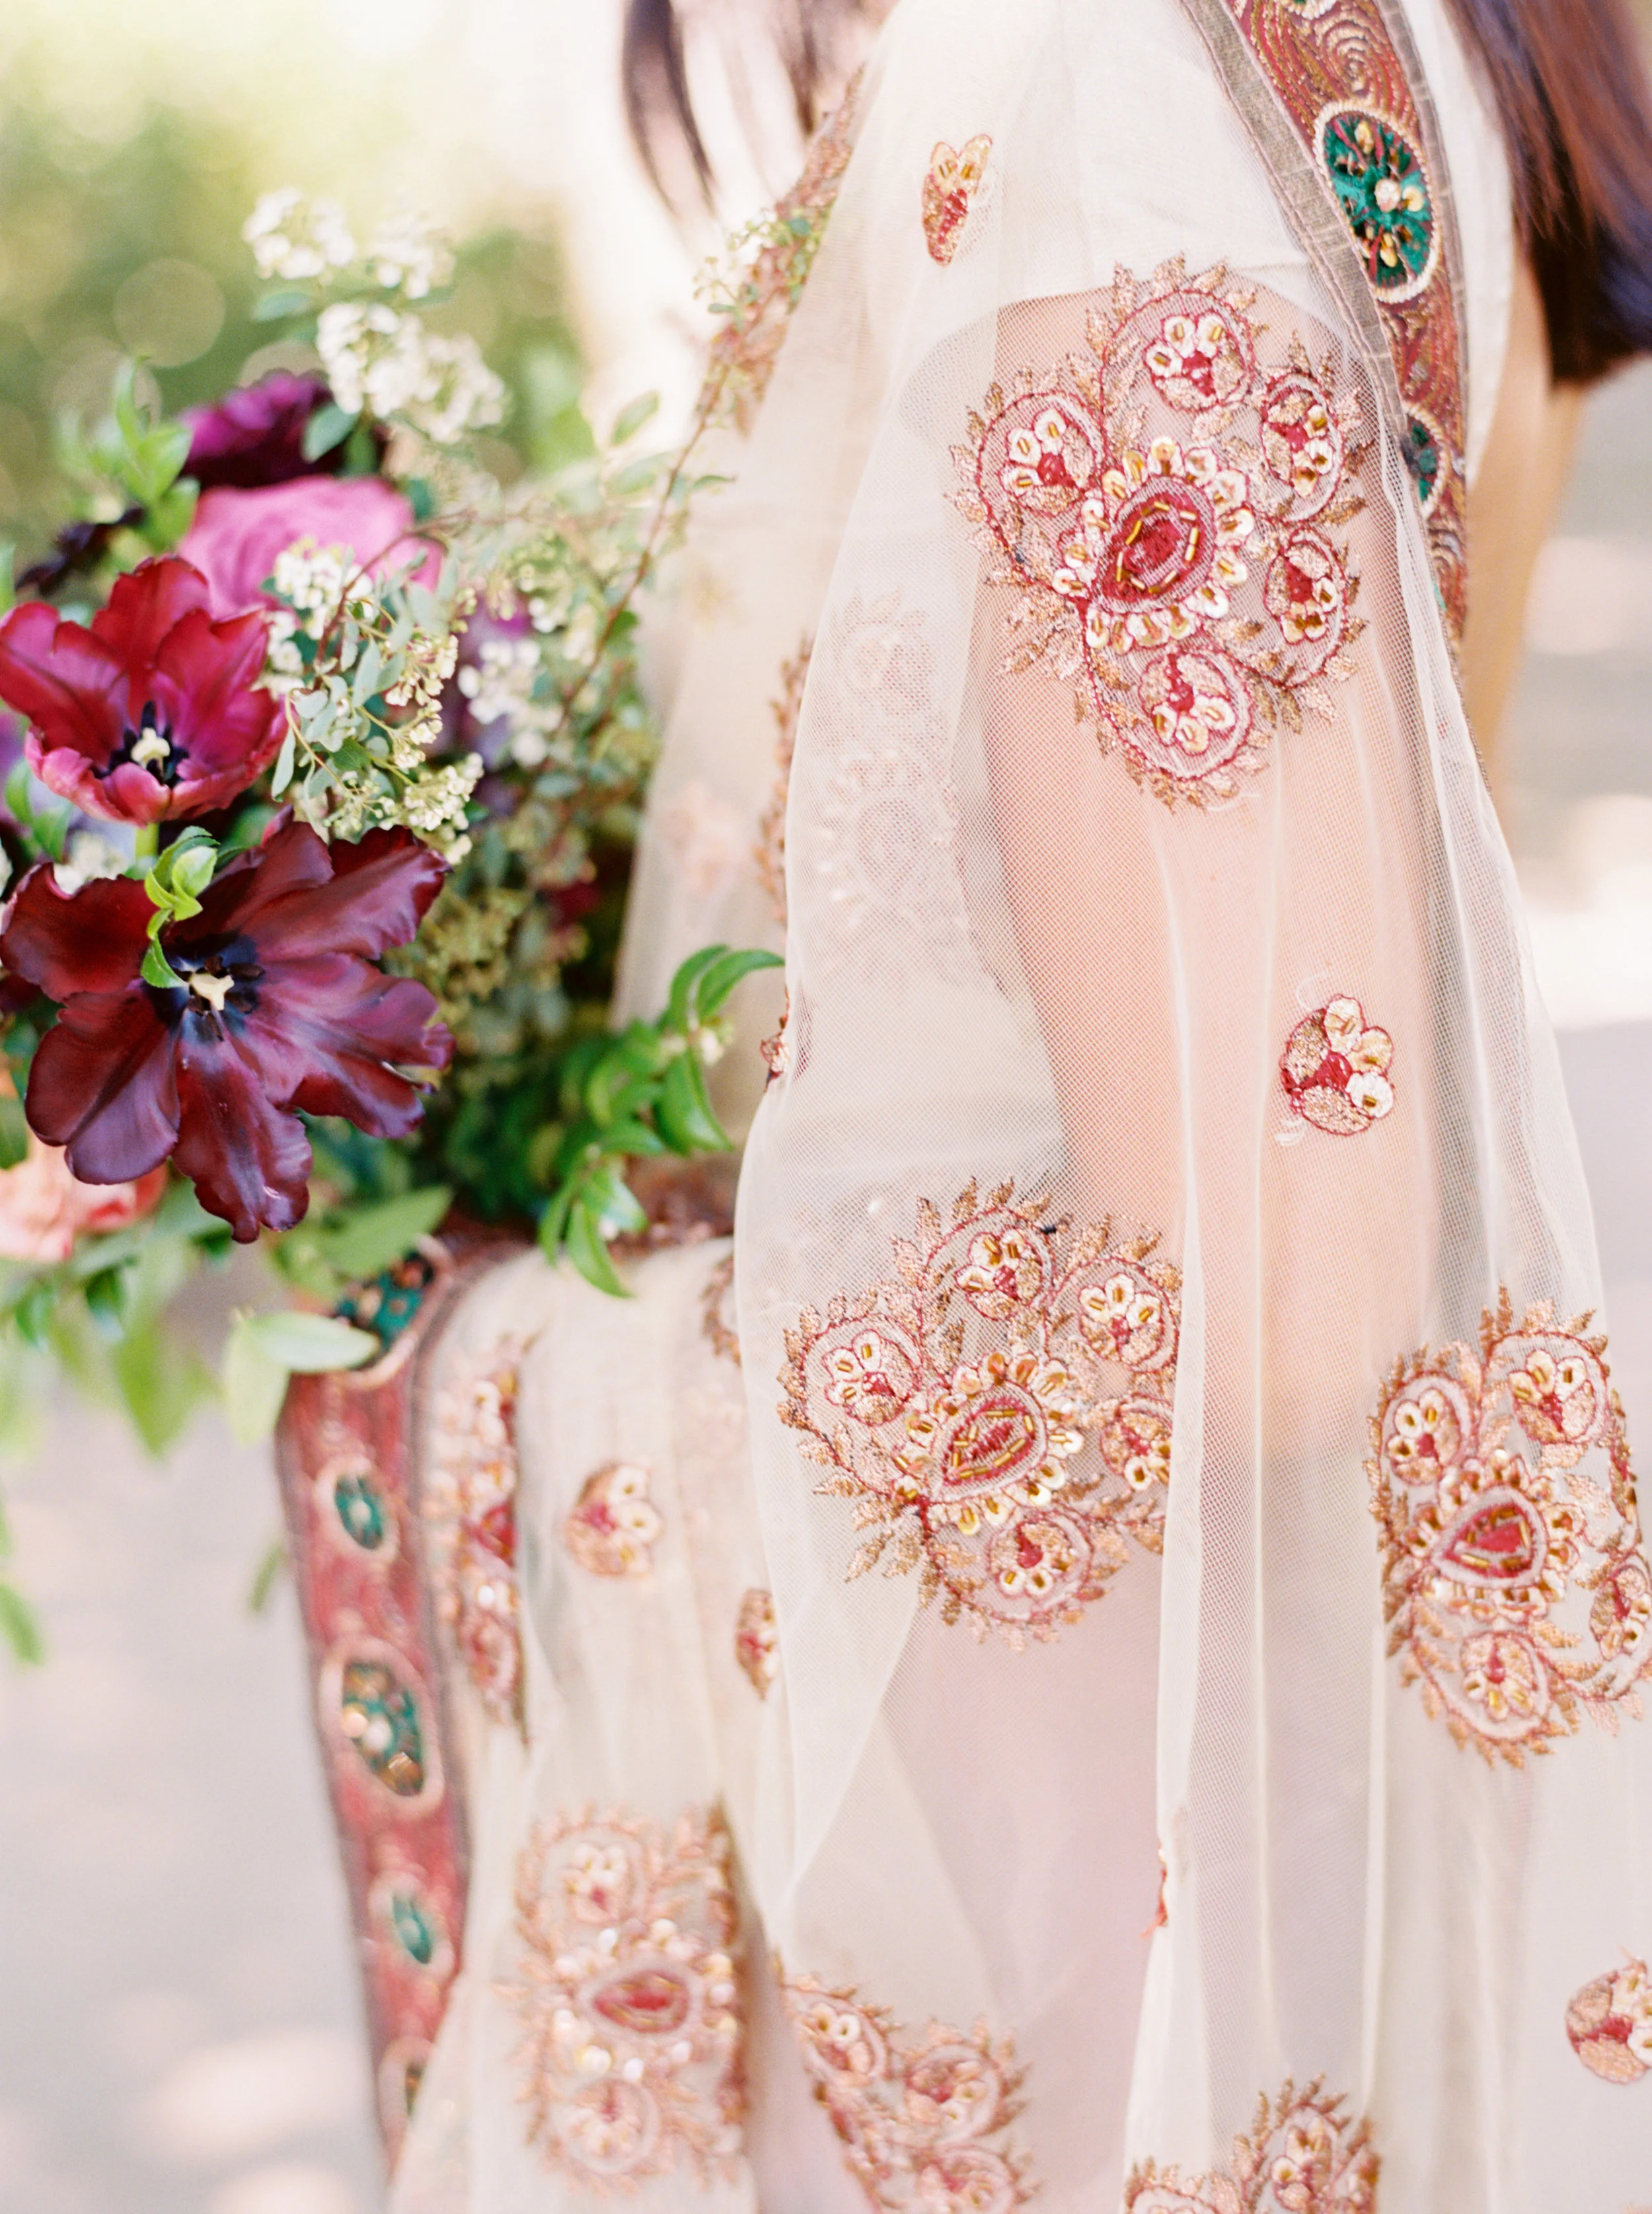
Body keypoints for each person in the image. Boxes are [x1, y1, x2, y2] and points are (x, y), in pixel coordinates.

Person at [382, 1, 1652, 2204]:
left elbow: (1274, 1290)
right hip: (1241, 1800)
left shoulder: (1095, 104)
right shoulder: (1394, 46)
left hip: (1052, 1895)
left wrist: (486, 1331)